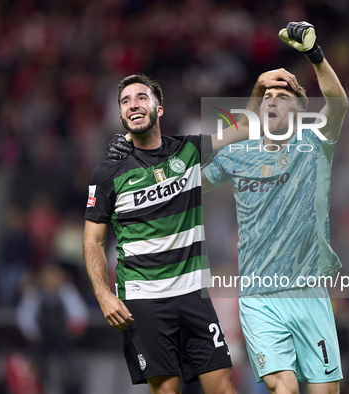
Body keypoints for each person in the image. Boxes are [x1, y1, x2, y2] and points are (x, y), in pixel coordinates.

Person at [106, 21, 348, 394]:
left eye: (282, 94)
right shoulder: (236, 154)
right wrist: (134, 151)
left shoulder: (314, 141)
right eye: (265, 94)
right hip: (257, 296)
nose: (272, 99)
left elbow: (339, 103)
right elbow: (178, 180)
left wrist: (314, 57)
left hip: (309, 291)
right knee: (283, 388)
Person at [83, 69, 298, 394]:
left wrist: (260, 86)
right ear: (121, 114)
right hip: (144, 300)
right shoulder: (107, 173)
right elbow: (93, 240)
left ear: (159, 108)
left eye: (142, 97)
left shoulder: (188, 150)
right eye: (125, 101)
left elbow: (246, 124)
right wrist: (103, 294)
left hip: (193, 294)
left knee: (224, 388)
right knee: (167, 391)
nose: (133, 104)